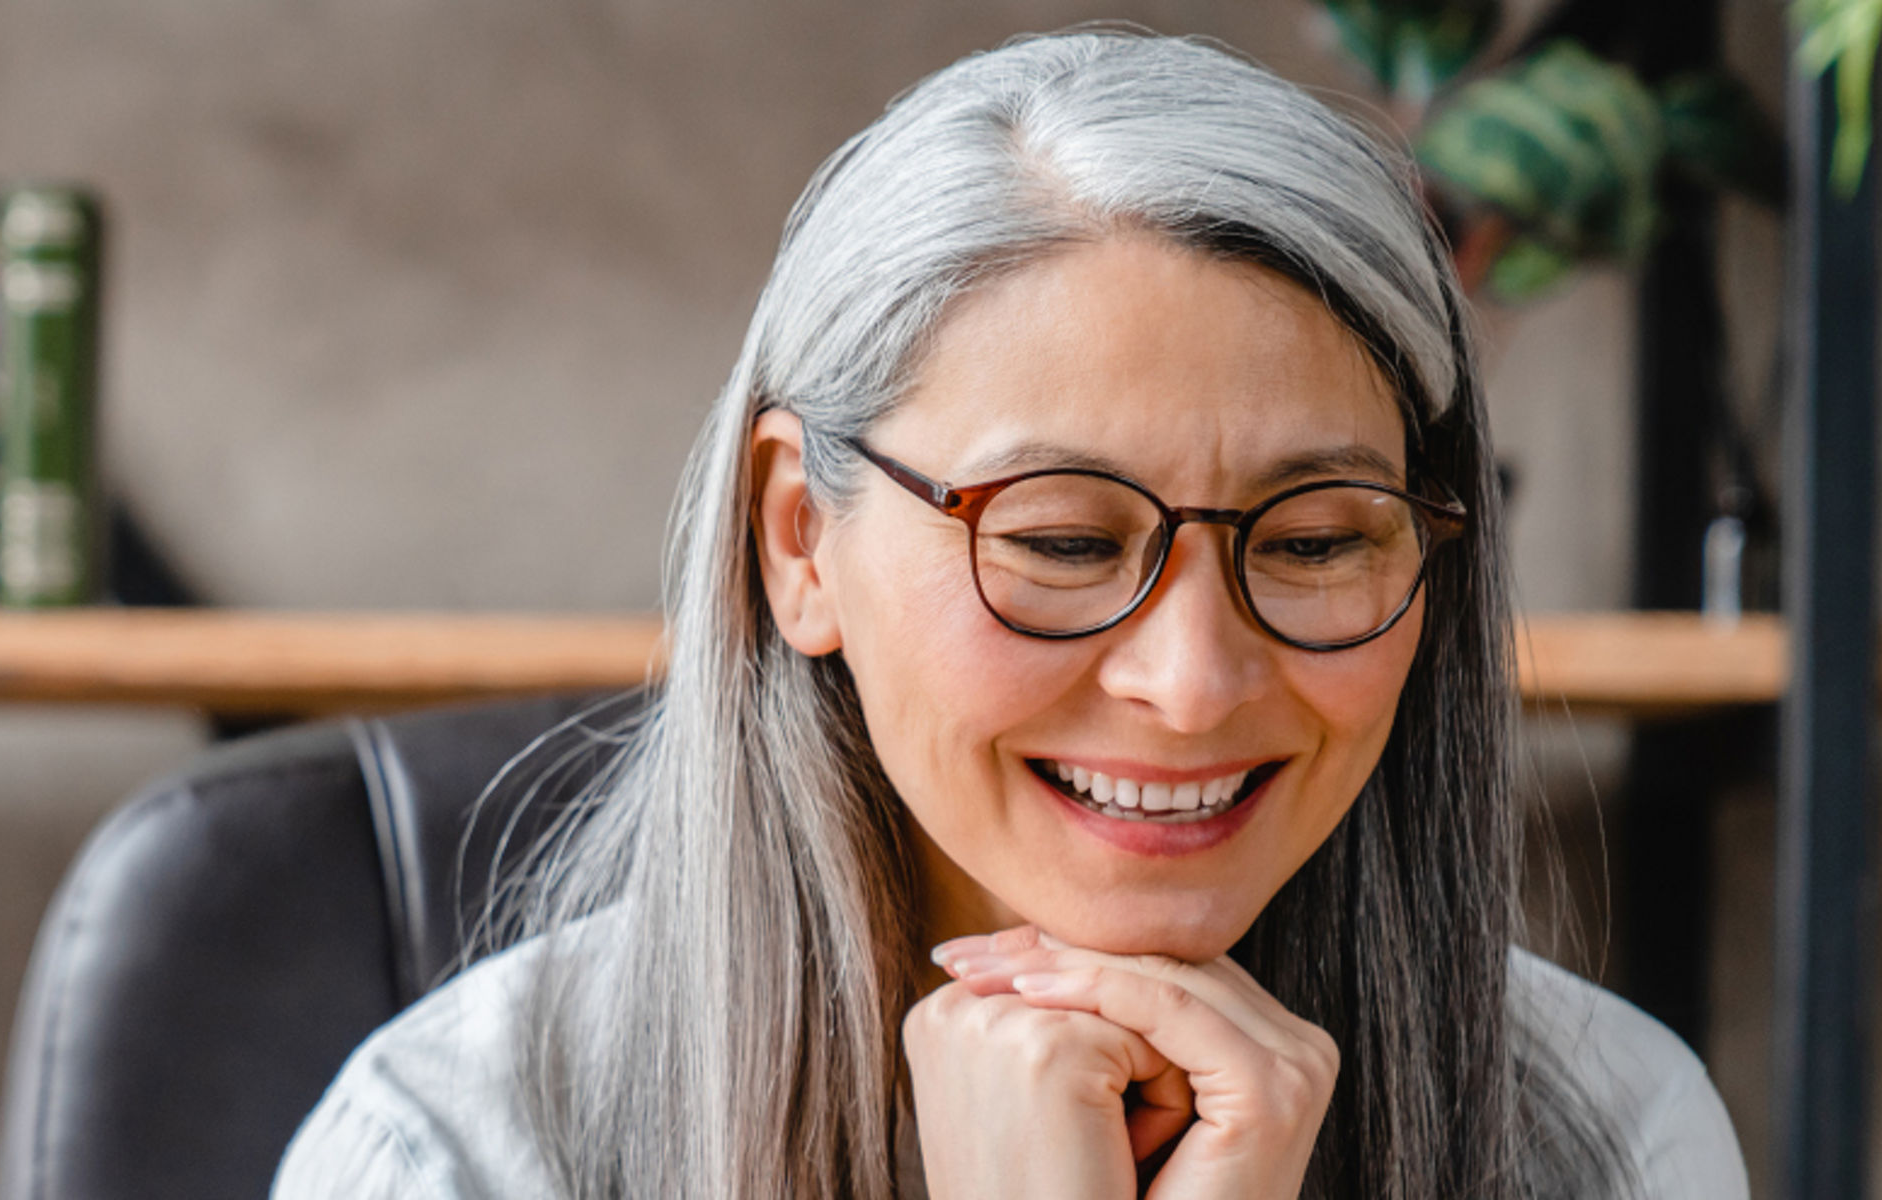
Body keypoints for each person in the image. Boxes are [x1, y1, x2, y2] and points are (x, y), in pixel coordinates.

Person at [273, 29, 1746, 1200]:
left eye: (1310, 543)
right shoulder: (453, 1157)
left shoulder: (1607, 1140)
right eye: (1056, 539)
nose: (1192, 681)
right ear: (798, 540)